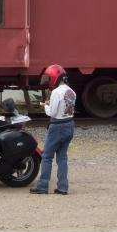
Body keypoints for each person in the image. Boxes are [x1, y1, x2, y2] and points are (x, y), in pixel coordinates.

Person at [30, 64, 76, 195]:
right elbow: (66, 108)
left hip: (57, 126)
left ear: (55, 77)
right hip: (69, 125)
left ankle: (43, 185)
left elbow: (53, 113)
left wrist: (45, 106)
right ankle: (63, 187)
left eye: (50, 78)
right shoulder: (71, 91)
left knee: (46, 156)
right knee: (62, 157)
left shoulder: (56, 92)